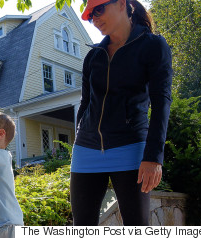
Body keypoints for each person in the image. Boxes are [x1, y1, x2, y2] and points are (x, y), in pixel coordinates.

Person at [71, 0, 173, 225]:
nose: (94, 18)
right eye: (89, 15)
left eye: (98, 10)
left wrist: (154, 156)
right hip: (86, 150)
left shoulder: (153, 45)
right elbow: (85, 103)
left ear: (121, 4)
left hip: (130, 148)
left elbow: (161, 102)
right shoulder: (93, 56)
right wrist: (79, 137)